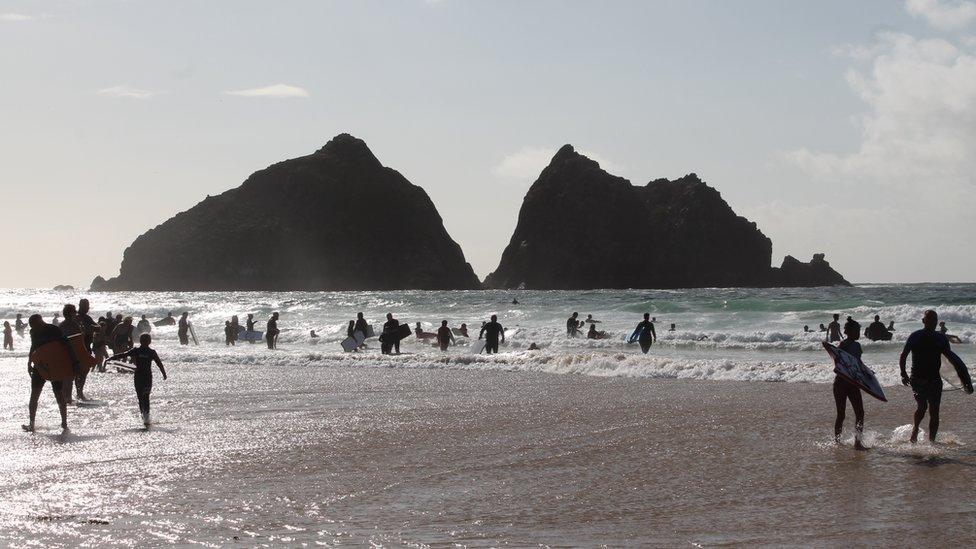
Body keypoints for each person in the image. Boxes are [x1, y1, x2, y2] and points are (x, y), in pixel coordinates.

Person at [901, 310, 973, 443]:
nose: (932, 323)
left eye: (935, 320)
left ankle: (932, 442)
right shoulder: (915, 336)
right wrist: (903, 373)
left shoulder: (941, 338)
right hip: (918, 378)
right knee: (922, 407)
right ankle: (916, 428)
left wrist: (964, 378)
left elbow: (951, 359)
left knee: (935, 412)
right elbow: (904, 354)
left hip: (935, 379)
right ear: (924, 321)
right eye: (930, 320)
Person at [24, 314, 76, 432]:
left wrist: (74, 363)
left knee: (59, 394)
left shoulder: (54, 330)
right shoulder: (33, 332)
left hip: (55, 366)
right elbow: (33, 347)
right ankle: (31, 424)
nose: (34, 328)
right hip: (39, 366)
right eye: (32, 326)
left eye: (35, 326)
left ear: (41, 322)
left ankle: (64, 423)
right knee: (34, 395)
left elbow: (67, 346)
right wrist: (29, 362)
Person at [109, 333, 167, 427]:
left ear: (148, 342)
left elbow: (159, 363)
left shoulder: (150, 352)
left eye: (146, 340)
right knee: (141, 397)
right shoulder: (138, 350)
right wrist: (113, 358)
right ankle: (144, 416)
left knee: (144, 396)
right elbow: (124, 355)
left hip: (144, 377)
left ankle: (146, 416)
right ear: (146, 341)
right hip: (142, 376)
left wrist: (164, 373)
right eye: (144, 340)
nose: (145, 342)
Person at [833, 319, 866, 450]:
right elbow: (838, 361)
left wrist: (867, 374)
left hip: (853, 383)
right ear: (849, 331)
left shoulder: (857, 346)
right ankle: (837, 441)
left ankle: (858, 442)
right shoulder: (843, 344)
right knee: (841, 414)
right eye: (857, 330)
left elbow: (858, 363)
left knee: (860, 413)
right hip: (841, 383)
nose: (859, 333)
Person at [59, 304, 89, 402]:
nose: (76, 313)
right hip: (74, 353)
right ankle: (74, 395)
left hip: (64, 353)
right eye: (74, 312)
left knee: (68, 376)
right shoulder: (73, 324)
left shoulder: (61, 325)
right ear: (71, 313)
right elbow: (80, 338)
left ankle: (68, 397)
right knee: (78, 373)